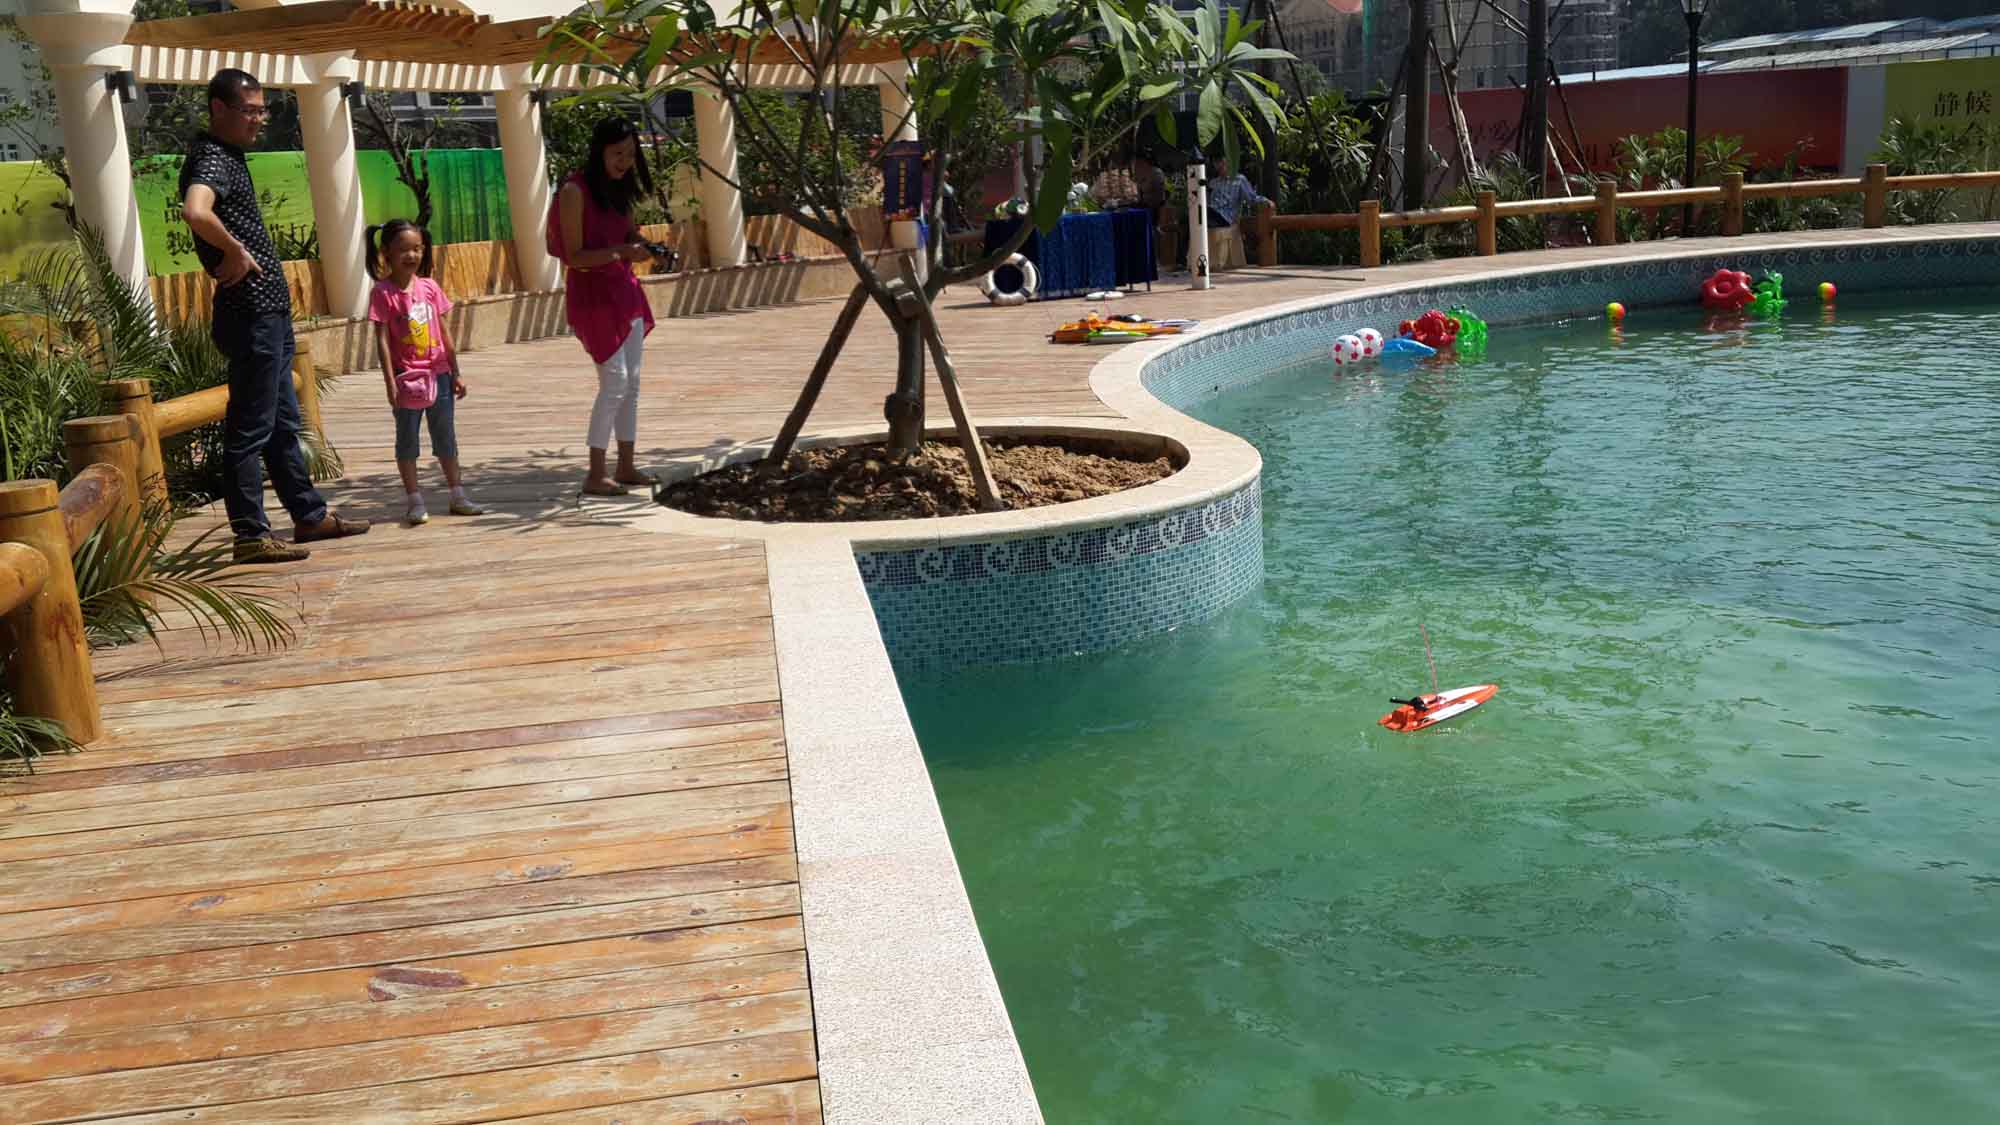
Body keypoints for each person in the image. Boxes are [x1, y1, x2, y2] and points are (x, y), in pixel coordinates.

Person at [180, 68, 369, 562]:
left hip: (268, 312)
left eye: (262, 110)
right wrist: (235, 250)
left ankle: (308, 515)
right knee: (251, 426)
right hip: (250, 314)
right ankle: (249, 535)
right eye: (249, 110)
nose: (259, 120)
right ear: (219, 109)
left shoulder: (229, 156)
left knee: (283, 422)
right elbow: (196, 211)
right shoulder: (212, 157)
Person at [553, 117, 659, 497]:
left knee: (632, 383)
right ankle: (596, 473)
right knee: (615, 382)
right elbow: (575, 256)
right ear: (599, 151)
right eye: (617, 154)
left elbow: (628, 236)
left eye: (630, 154)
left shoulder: (620, 188)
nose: (625, 161)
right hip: (593, 297)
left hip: (626, 293)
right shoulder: (573, 191)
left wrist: (644, 247)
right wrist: (621, 251)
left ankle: (626, 466)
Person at [365, 219, 486, 526]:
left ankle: (457, 494)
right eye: (404, 249)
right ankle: (414, 500)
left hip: (439, 375)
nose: (412, 255)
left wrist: (456, 371)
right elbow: (382, 340)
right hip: (406, 379)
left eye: (417, 248)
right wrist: (389, 382)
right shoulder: (382, 292)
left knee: (445, 435)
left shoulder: (429, 287)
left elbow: (444, 332)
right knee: (407, 439)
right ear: (386, 252)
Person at [1203, 156, 1270, 270]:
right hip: (1212, 213)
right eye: (1217, 163)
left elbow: (1251, 198)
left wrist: (1266, 201)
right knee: (1197, 216)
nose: (1220, 165)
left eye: (1222, 162)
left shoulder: (1239, 179)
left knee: (1206, 216)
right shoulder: (1213, 182)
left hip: (1226, 217)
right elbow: (1208, 201)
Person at [1130, 152, 1176, 269]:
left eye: (1138, 163)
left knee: (1152, 232)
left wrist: (1140, 182)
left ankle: (1155, 259)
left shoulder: (1155, 173)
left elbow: (1147, 188)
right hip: (1144, 205)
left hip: (1155, 207)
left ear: (1144, 162)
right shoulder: (1143, 173)